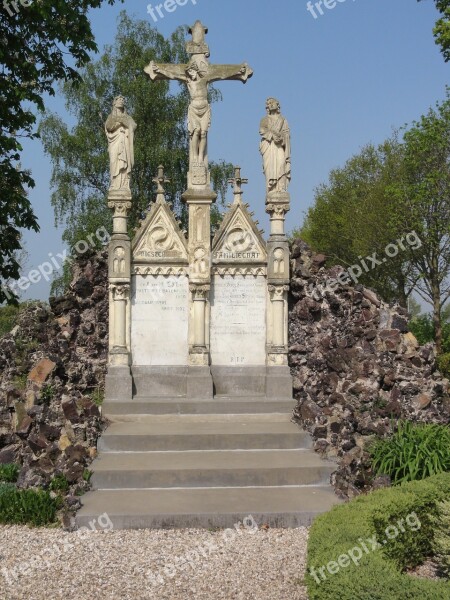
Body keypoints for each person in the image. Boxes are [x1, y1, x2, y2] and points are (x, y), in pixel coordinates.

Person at [259, 97, 291, 194]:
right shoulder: (264, 120)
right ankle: (272, 189)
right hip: (269, 145)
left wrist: (282, 137)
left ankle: (281, 188)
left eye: (273, 103)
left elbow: (287, 133)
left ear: (278, 106)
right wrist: (272, 135)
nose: (271, 104)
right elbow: (262, 130)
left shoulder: (283, 120)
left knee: (281, 163)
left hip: (279, 146)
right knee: (269, 168)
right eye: (269, 103)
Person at [105, 96, 137, 190]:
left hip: (124, 141)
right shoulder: (111, 117)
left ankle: (124, 185)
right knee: (114, 161)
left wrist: (125, 122)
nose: (121, 101)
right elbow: (109, 127)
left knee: (124, 162)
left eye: (123, 100)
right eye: (119, 100)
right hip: (114, 142)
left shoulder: (127, 117)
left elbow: (133, 126)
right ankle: (114, 184)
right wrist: (119, 122)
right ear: (114, 103)